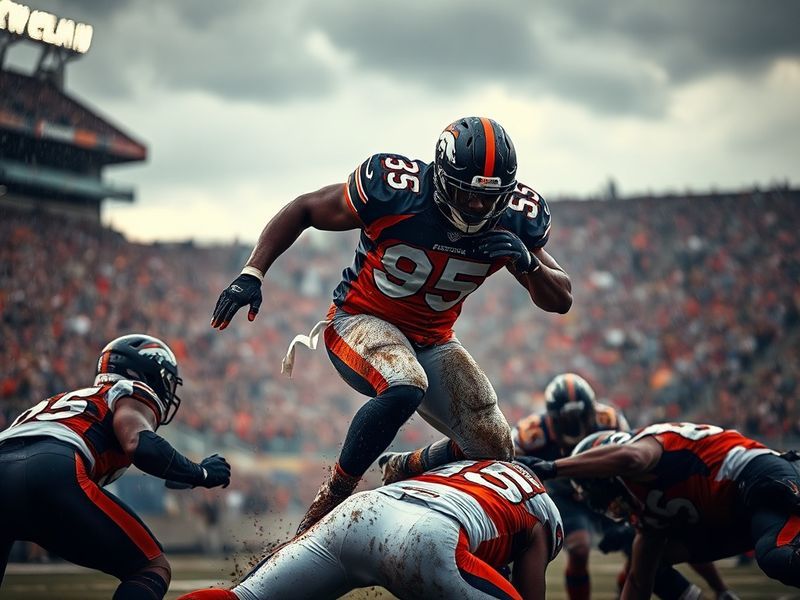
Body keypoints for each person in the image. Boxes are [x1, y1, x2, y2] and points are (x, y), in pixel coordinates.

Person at [211, 116, 573, 534]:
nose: (476, 206)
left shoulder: (513, 220)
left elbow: (561, 298)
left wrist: (528, 264)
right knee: (406, 383)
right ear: (441, 177)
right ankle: (327, 504)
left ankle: (405, 466)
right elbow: (306, 208)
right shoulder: (397, 192)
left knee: (494, 447)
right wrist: (253, 272)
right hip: (359, 321)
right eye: (466, 193)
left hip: (433, 339)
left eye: (486, 198)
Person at [382, 373, 735, 600]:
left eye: (577, 416)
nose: (572, 423)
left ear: (591, 411)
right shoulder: (533, 432)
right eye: (564, 418)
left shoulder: (609, 420)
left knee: (650, 542)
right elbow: (502, 459)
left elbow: (628, 462)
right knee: (579, 548)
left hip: (613, 491)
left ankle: (713, 591)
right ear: (552, 416)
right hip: (566, 494)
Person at [0, 334, 232, 600]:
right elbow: (140, 444)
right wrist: (199, 472)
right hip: (52, 467)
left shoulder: (62, 400)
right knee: (150, 567)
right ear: (148, 374)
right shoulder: (132, 391)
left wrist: (178, 473)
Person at [177, 458, 563, 600]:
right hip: (428, 536)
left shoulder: (468, 467)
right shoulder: (542, 514)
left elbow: (398, 465)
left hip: (362, 510)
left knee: (245, 598)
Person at [519, 422, 800, 598]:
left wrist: (554, 468)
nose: (606, 506)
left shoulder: (647, 445)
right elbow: (638, 584)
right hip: (735, 513)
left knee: (775, 556)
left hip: (757, 477)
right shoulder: (648, 521)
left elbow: (631, 458)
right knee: (653, 564)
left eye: (595, 492)